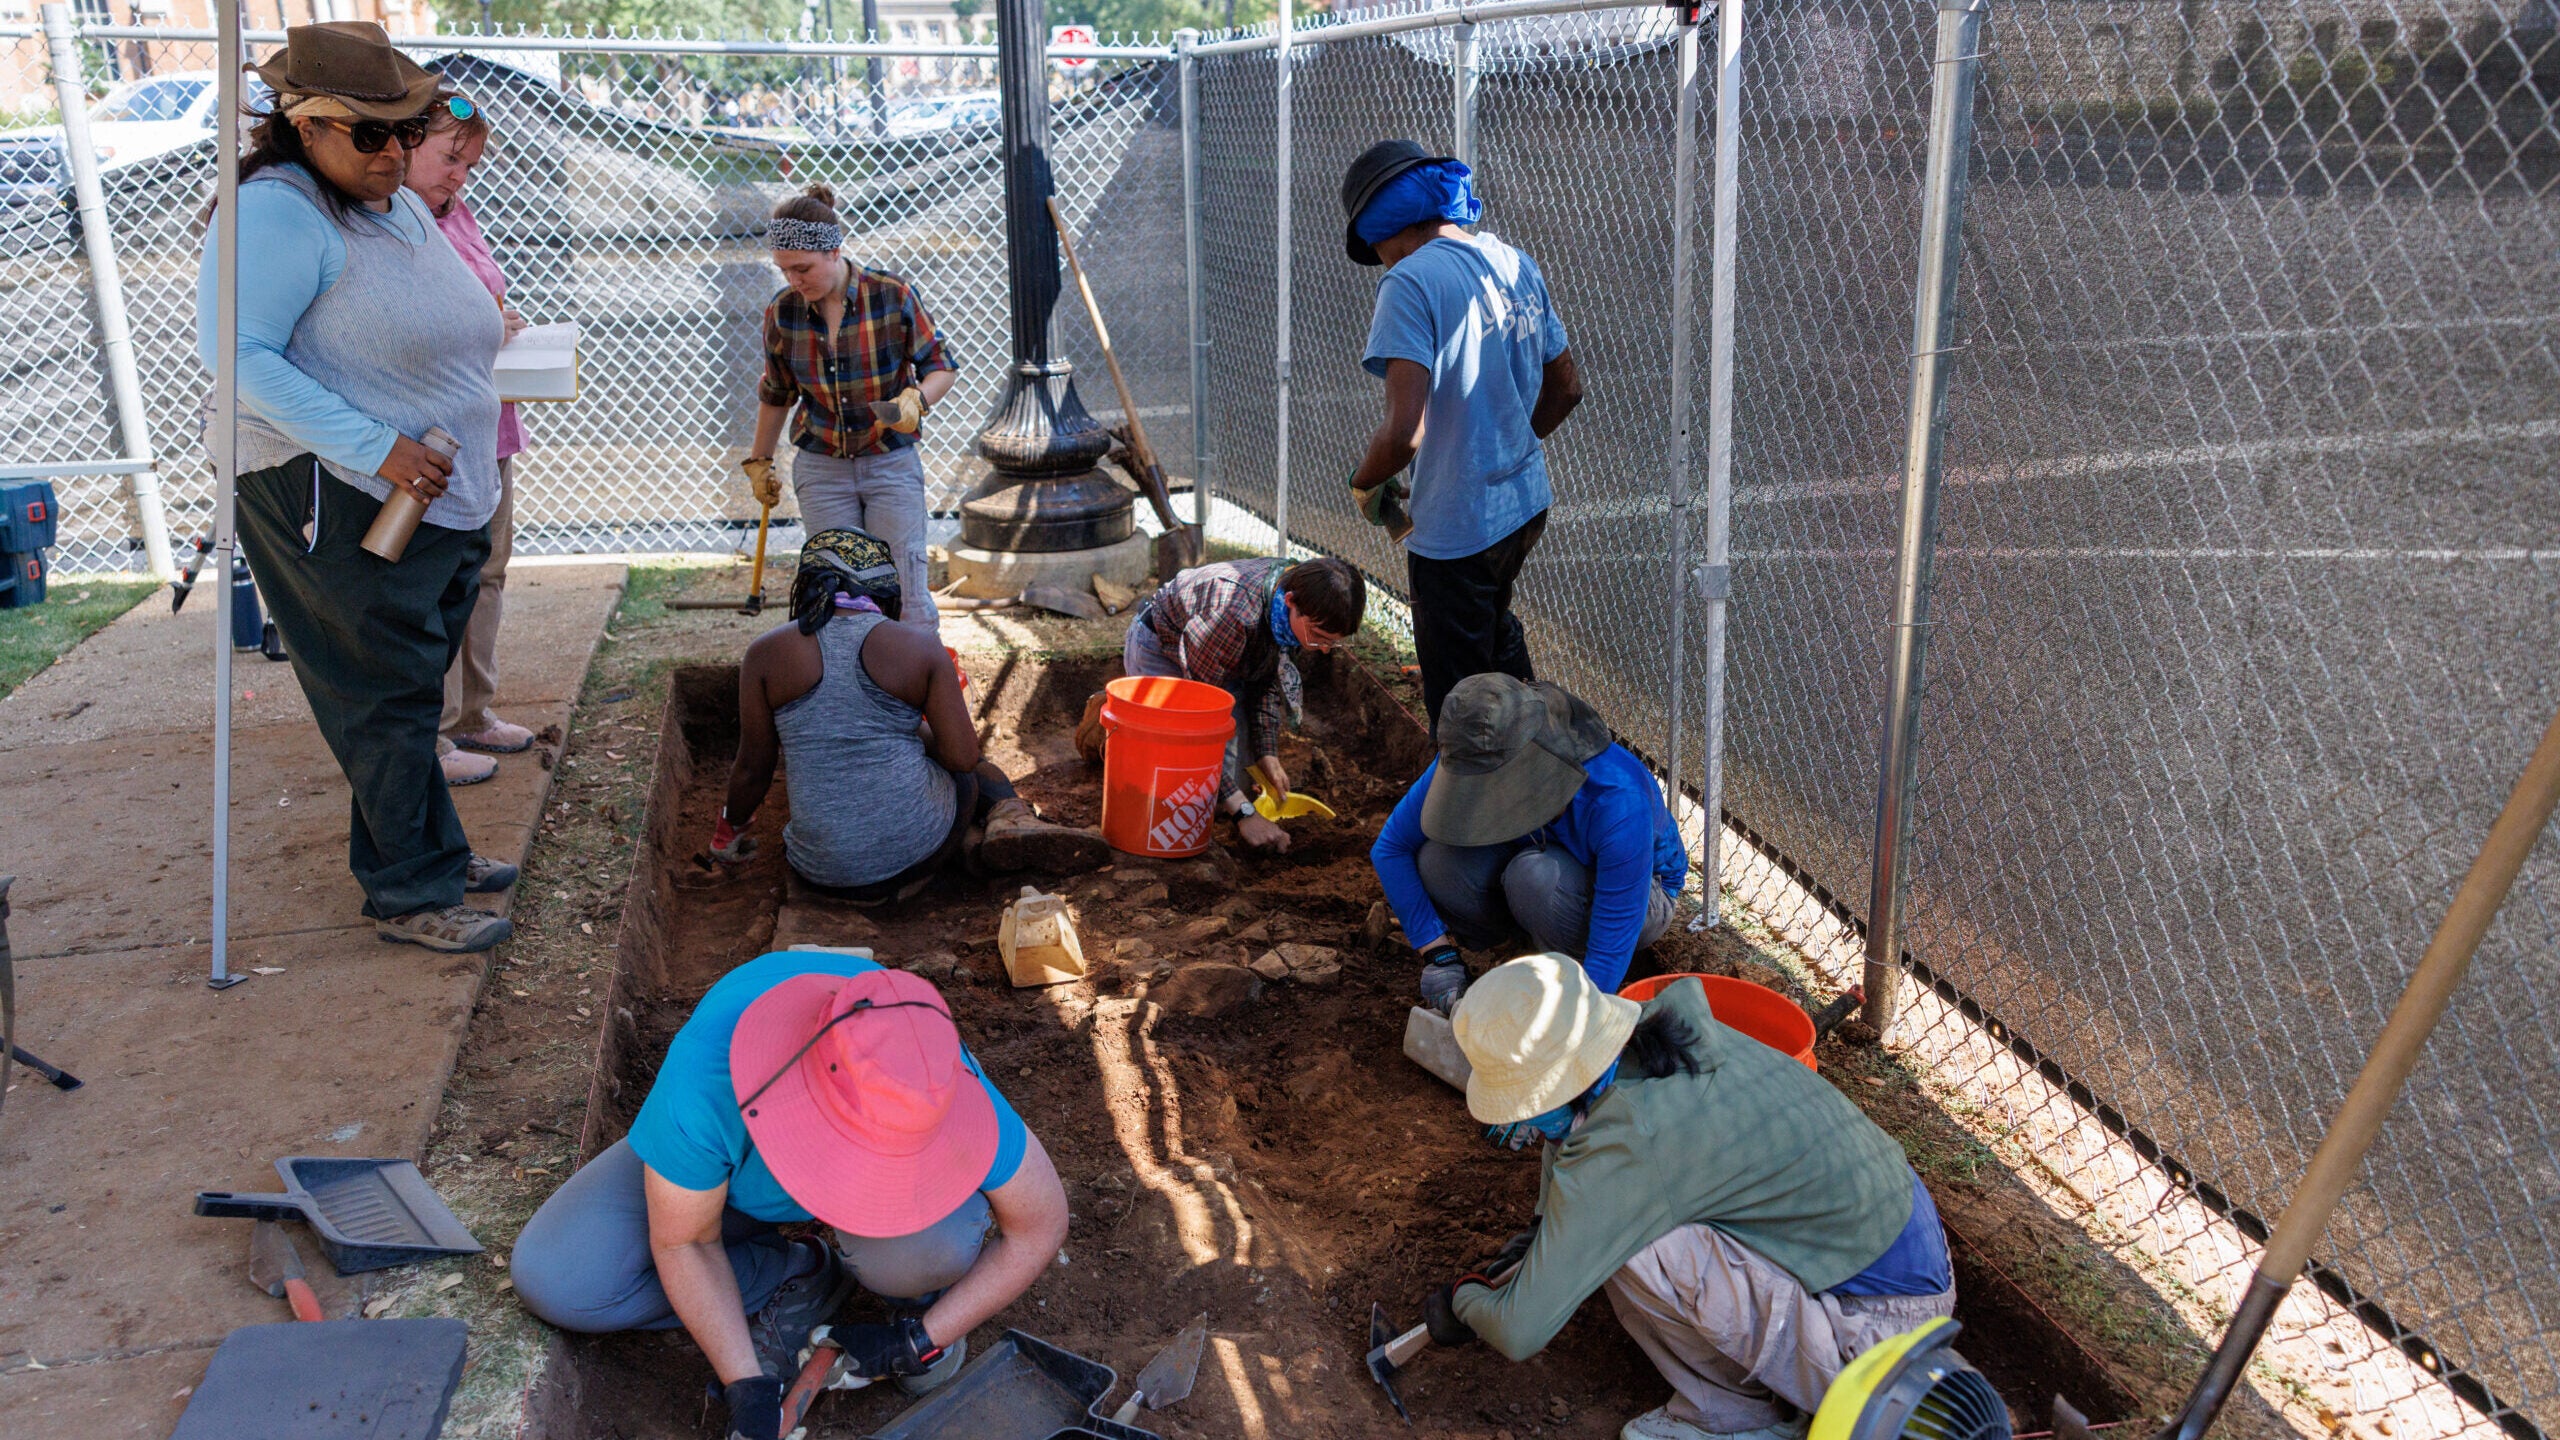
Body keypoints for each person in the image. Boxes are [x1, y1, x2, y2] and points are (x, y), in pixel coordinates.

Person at [198, 21, 515, 952]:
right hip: (331, 490)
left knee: (406, 686)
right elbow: (237, 358)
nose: (393, 152)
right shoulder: (273, 212)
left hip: (422, 487)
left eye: (405, 132)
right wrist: (377, 448)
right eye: (369, 134)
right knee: (378, 692)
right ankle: (411, 893)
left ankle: (430, 854)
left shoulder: (381, 200)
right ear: (305, 125)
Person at [510, 955, 1071, 1440]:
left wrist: (921, 1340)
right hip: (726, 1187)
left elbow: (1039, 1224)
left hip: (855, 1182)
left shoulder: (927, 1078)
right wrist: (744, 1380)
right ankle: (798, 1273)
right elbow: (685, 1240)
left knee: (927, 1250)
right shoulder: (708, 1078)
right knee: (562, 1279)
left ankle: (917, 1298)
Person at [1422, 955, 1957, 1440]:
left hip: (1879, 1344)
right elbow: (1573, 1136)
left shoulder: (1632, 1142)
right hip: (1895, 1253)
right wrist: (1543, 1228)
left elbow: (1519, 1331)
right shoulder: (1659, 1032)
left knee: (1631, 1241)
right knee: (1610, 1211)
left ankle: (1730, 1413)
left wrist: (1467, 1303)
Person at [711, 529, 1106, 901]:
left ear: (810, 584)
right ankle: (1007, 820)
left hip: (820, 874)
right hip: (918, 855)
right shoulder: (918, 647)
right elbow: (962, 758)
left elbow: (753, 767)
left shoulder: (764, 654)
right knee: (966, 776)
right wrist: (922, 732)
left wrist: (728, 834)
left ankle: (973, 845)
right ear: (884, 589)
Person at [1339, 139, 1583, 727]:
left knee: (1461, 705)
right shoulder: (1514, 262)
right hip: (1523, 505)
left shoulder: (1411, 283)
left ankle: (1477, 814)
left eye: (1377, 248)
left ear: (1384, 226)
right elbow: (1567, 388)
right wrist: (1506, 446)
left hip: (1459, 528)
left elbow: (1404, 432)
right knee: (1496, 640)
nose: (1383, 262)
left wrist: (1365, 483)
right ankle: (1541, 781)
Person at [1371, 673, 1686, 1015]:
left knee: (1534, 879)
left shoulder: (1617, 798)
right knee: (1438, 860)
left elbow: (1614, 934)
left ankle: (1563, 972)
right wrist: (1438, 955)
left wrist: (1577, 1022)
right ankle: (1518, 946)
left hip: (1641, 894)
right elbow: (1391, 848)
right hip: (1539, 860)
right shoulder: (1478, 750)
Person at [743, 182, 958, 633]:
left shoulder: (892, 295)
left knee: (904, 588)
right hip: (822, 468)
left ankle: (914, 691)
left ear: (835, 251)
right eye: (784, 271)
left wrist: (918, 400)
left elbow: (941, 366)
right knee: (838, 592)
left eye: (802, 268)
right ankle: (849, 691)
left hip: (890, 462)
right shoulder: (783, 312)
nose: (794, 281)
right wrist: (759, 461)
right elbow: (777, 392)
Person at [403, 89, 535, 787]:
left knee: (486, 572)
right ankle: (433, 731)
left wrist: (498, 314)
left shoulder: (457, 211)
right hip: (432, 434)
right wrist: (488, 317)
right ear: (401, 143)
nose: (460, 175)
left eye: (471, 164)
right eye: (451, 158)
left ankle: (474, 713)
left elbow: (480, 299)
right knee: (437, 582)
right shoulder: (391, 221)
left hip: (491, 423)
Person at [1074, 556, 1368, 853]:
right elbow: (1195, 722)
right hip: (1163, 648)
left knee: (1237, 783)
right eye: (1319, 637)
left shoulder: (1296, 603)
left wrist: (1268, 753)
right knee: (1189, 795)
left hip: (1222, 660)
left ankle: (1139, 726)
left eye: (1332, 642)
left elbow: (1264, 678)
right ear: (1290, 601)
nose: (1323, 649)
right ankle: (1120, 721)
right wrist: (1244, 814)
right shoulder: (1233, 616)